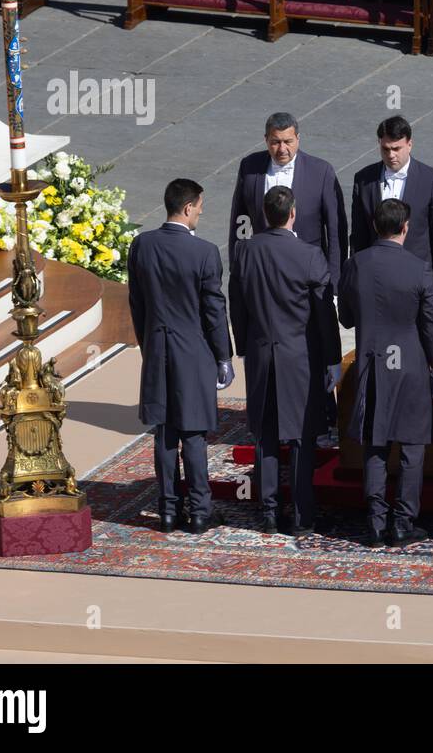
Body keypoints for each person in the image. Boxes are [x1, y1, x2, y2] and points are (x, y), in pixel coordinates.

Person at [230, 185, 343, 535]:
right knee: (300, 438)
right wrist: (332, 358)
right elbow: (323, 315)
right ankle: (301, 515)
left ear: (266, 215)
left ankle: (267, 511)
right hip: (300, 359)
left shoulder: (246, 251)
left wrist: (246, 345)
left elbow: (237, 302)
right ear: (293, 213)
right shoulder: (309, 255)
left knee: (265, 435)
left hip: (262, 353)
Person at [127, 178, 233, 535]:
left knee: (164, 433)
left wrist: (149, 345)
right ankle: (200, 512)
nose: (202, 211)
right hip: (193, 353)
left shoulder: (141, 245)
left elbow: (137, 304)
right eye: (200, 206)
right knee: (193, 434)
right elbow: (214, 311)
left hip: (158, 349)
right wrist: (224, 356)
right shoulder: (203, 252)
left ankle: (168, 511)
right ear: (188, 208)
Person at [338, 198, 433, 547]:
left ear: (375, 225)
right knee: (412, 447)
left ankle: (375, 521)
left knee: (376, 445)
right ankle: (403, 521)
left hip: (372, 362)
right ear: (405, 227)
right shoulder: (420, 268)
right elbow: (430, 326)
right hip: (410, 366)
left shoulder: (356, 264)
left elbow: (347, 317)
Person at [228, 112, 348, 293]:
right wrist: (238, 266)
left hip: (307, 275)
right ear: (266, 139)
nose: (282, 149)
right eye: (275, 142)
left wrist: (335, 284)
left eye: (288, 142)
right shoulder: (249, 167)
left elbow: (335, 231)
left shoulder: (321, 171)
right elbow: (240, 218)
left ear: (298, 139)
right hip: (262, 272)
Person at [350, 115, 433, 320]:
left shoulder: (431, 180)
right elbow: (359, 236)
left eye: (396, 148)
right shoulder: (364, 180)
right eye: (385, 149)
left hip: (417, 283)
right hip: (376, 282)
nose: (391, 155)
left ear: (409, 144)